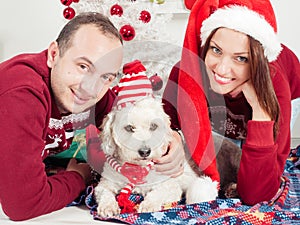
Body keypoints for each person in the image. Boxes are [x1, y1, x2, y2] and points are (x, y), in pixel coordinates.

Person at [0, 12, 184, 221]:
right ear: (53, 54)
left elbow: (131, 115)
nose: (90, 87)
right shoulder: (22, 93)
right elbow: (23, 204)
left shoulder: (95, 95)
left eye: (106, 76)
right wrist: (79, 177)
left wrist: (173, 139)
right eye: (83, 67)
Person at [162, 0, 300, 205]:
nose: (222, 70)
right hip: (222, 118)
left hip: (276, 94)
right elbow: (166, 126)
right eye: (216, 50)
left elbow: (258, 195)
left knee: (253, 176)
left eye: (241, 58)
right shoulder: (185, 71)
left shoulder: (276, 84)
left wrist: (261, 112)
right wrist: (173, 135)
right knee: (222, 164)